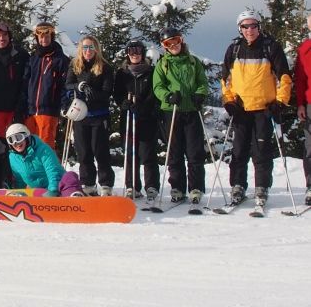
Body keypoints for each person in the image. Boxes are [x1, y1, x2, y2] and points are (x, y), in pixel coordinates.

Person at [222, 11, 292, 206]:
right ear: (240, 28)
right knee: (239, 151)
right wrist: (228, 101)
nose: (250, 30)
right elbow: (225, 80)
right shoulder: (234, 49)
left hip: (263, 108)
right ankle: (238, 185)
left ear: (259, 27)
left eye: (253, 26)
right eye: (246, 26)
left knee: (261, 151)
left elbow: (284, 77)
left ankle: (261, 187)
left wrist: (279, 102)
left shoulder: (270, 47)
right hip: (241, 109)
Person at [153, 27, 209, 204]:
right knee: (174, 152)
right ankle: (177, 187)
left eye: (175, 41)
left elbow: (202, 81)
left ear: (181, 40)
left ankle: (196, 187)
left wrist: (200, 94)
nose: (173, 45)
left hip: (191, 110)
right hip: (172, 111)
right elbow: (157, 86)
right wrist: (168, 96)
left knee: (194, 152)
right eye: (168, 43)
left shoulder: (193, 62)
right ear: (164, 47)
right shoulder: (163, 64)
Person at [65, 35, 115, 196]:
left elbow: (107, 91)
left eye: (91, 47)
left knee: (100, 150)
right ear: (81, 49)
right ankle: (88, 182)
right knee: (84, 151)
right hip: (81, 115)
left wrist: (94, 94)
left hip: (99, 115)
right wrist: (79, 86)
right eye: (85, 47)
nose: (88, 51)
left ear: (96, 49)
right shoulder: (75, 65)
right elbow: (67, 84)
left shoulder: (105, 67)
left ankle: (106, 184)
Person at [113, 40, 160, 200]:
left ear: (143, 53)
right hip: (128, 118)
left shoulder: (151, 71)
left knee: (147, 153)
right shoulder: (122, 73)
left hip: (146, 118)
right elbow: (117, 93)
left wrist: (143, 106)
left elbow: (154, 94)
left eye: (138, 51)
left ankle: (151, 186)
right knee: (130, 152)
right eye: (131, 52)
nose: (135, 55)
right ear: (127, 54)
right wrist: (123, 103)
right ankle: (131, 186)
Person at [20, 22, 70, 149]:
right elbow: (25, 83)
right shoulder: (33, 59)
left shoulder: (60, 60)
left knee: (45, 146)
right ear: (37, 38)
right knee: (30, 146)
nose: (44, 40)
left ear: (52, 37)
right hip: (30, 111)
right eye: (41, 37)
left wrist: (64, 105)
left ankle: (48, 169)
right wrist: (22, 106)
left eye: (47, 37)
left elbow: (65, 85)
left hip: (48, 110)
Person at [6, 123, 84, 197]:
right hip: (40, 192)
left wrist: (52, 190)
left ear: (27, 137)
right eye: (11, 140)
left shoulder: (43, 149)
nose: (16, 142)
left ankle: (74, 197)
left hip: (59, 186)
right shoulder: (13, 158)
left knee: (70, 176)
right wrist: (18, 193)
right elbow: (19, 179)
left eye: (19, 137)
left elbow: (52, 170)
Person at [294, 14, 311, 206]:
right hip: (309, 103)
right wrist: (300, 104)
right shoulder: (305, 49)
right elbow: (300, 79)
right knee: (310, 147)